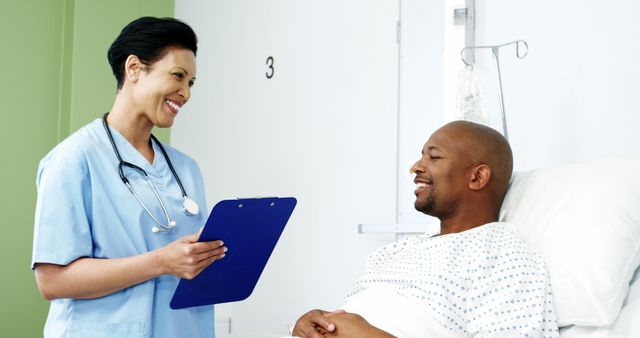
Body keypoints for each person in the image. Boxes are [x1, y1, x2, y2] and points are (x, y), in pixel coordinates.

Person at [31, 17, 226, 337]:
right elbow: (52, 280)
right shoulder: (74, 160)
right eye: (178, 76)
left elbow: (190, 269)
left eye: (191, 83)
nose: (185, 93)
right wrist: (162, 261)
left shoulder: (186, 169)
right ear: (134, 68)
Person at [292, 121, 559, 338]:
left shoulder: (504, 256)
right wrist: (309, 322)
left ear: (477, 177)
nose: (416, 167)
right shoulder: (395, 252)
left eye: (434, 157)